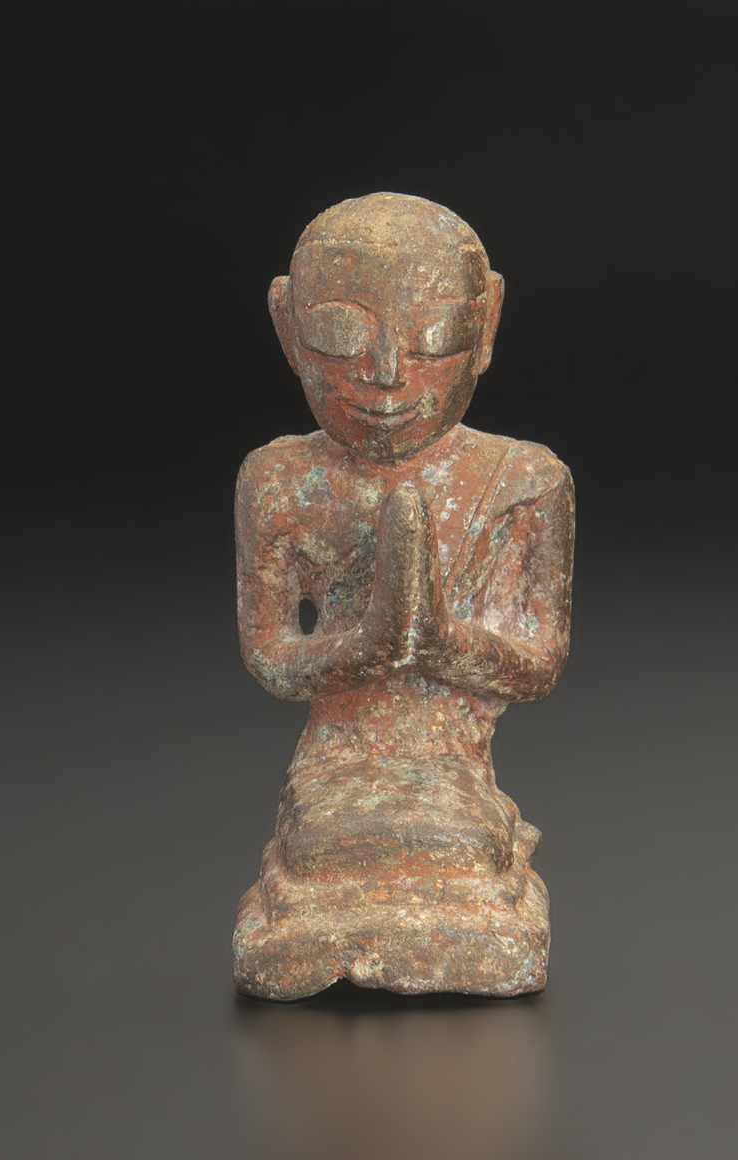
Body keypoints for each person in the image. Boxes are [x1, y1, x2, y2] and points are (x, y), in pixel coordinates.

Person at [233, 193, 574, 999]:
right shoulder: (278, 481)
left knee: (459, 841)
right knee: (322, 844)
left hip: (448, 759)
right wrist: (371, 646)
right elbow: (271, 657)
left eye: (432, 337)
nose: (387, 374)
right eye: (341, 335)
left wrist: (441, 642)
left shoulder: (525, 481)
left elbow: (540, 664)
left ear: (486, 327)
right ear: (287, 328)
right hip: (338, 761)